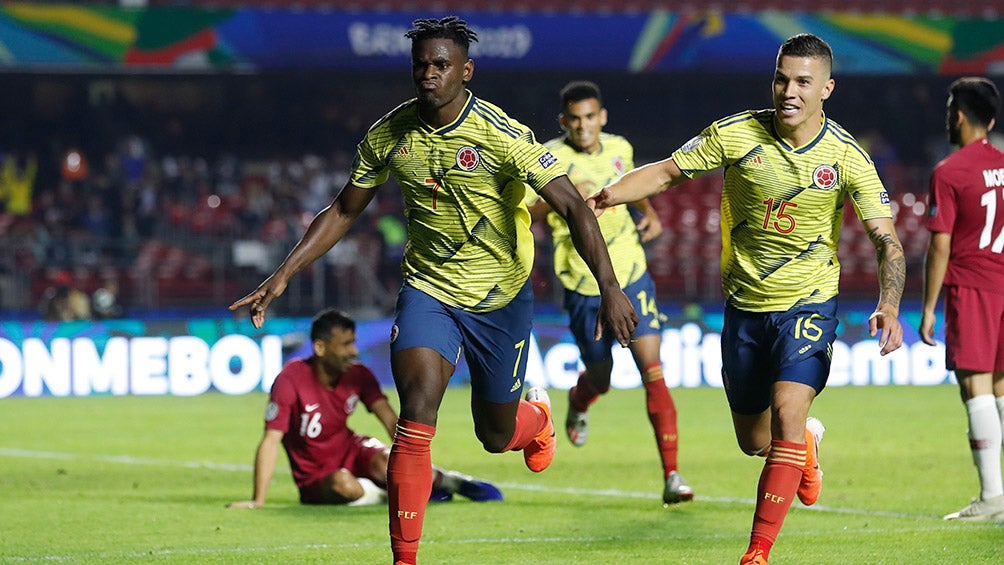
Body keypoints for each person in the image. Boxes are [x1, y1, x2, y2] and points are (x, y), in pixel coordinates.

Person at [229, 16, 637, 565]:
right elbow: (347, 207)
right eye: (420, 64)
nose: (428, 74)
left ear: (465, 71)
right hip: (429, 291)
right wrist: (284, 272)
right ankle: (405, 558)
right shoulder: (389, 133)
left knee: (495, 434)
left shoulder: (503, 135)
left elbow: (569, 206)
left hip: (500, 297)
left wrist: (609, 287)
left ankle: (536, 421)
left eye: (441, 65)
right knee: (415, 418)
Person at [588, 33, 905, 564]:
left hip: (808, 303)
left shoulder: (847, 156)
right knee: (755, 440)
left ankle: (756, 553)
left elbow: (886, 239)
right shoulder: (737, 134)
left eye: (803, 82)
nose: (789, 91)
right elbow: (667, 171)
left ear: (827, 87)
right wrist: (607, 195)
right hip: (745, 307)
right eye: (782, 78)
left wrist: (889, 303)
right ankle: (806, 446)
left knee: (787, 412)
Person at [526, 80, 692, 504]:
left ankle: (672, 475)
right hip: (584, 285)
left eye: (590, 117)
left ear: (602, 117)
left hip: (631, 273)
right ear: (564, 121)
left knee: (652, 371)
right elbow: (527, 211)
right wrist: (565, 200)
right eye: (574, 119)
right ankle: (580, 402)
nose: (583, 127)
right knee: (601, 377)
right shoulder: (547, 157)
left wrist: (649, 213)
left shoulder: (621, 147)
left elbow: (636, 186)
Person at [227, 309, 503, 509]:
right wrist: (257, 500)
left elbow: (388, 418)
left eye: (354, 342)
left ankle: (453, 482)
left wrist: (412, 461)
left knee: (386, 460)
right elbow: (271, 440)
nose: (354, 351)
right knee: (343, 485)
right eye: (345, 345)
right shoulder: (290, 380)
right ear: (320, 348)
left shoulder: (358, 375)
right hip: (317, 477)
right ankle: (387, 497)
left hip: (354, 451)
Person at [919, 77, 1004, 522]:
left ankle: (992, 498)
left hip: (972, 286)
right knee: (1002, 388)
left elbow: (940, 245)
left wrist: (929, 307)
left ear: (958, 115)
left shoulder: (949, 172)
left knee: (976, 388)